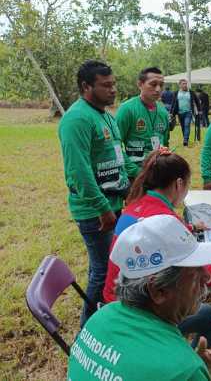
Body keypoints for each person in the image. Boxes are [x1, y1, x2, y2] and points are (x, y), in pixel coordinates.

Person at [103, 148, 211, 346]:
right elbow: (195, 272)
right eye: (187, 185)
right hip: (142, 318)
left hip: (116, 305)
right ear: (179, 184)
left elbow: (154, 237)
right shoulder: (164, 216)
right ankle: (194, 356)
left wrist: (188, 228)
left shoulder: (135, 206)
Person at [67, 214, 211, 381]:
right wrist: (192, 373)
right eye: (195, 271)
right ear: (158, 290)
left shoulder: (101, 317)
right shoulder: (183, 370)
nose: (207, 277)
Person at [58, 60, 139, 326]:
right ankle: (88, 330)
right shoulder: (77, 119)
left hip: (113, 203)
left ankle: (101, 321)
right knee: (103, 272)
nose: (113, 90)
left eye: (113, 84)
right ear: (86, 86)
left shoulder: (106, 116)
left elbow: (119, 157)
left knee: (103, 266)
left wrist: (144, 173)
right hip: (96, 211)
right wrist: (102, 208)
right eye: (106, 86)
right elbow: (78, 172)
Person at [116, 67, 170, 171]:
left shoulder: (163, 111)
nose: (158, 89)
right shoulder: (127, 109)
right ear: (140, 84)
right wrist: (135, 171)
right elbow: (115, 146)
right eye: (153, 84)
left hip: (158, 171)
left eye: (161, 85)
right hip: (135, 173)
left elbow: (165, 142)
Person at [171, 79, 201, 146]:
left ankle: (185, 140)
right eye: (183, 84)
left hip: (188, 112)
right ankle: (185, 137)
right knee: (183, 127)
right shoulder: (176, 93)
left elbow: (197, 101)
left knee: (187, 125)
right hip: (179, 112)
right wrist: (171, 113)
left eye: (185, 83)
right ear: (179, 85)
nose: (185, 85)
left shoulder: (191, 92)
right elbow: (173, 103)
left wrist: (199, 110)